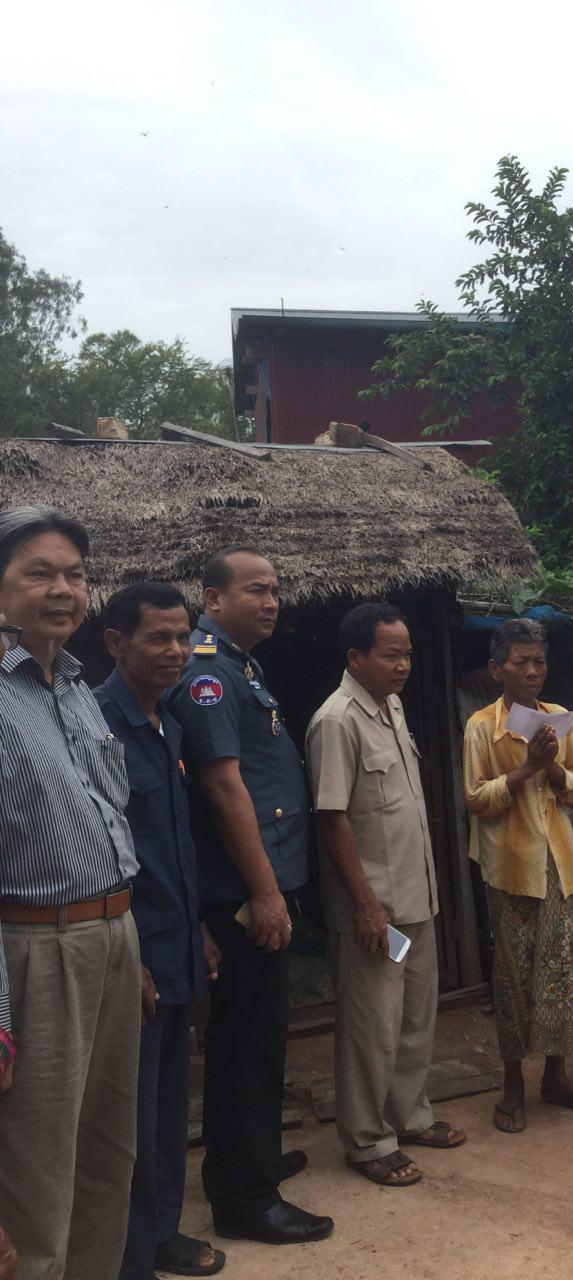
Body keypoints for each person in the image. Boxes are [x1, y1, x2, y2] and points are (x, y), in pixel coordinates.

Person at [167, 547, 332, 1246]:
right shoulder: (208, 674)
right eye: (256, 590)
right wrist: (266, 893)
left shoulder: (241, 666)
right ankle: (242, 1197)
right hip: (240, 892)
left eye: (276, 590)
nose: (272, 601)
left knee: (265, 1033)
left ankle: (255, 1159)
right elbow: (223, 786)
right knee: (244, 1042)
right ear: (212, 599)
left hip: (264, 880)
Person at [0, 506, 141, 1279]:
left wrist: (133, 948)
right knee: (36, 1176)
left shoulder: (78, 684)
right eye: (38, 573)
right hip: (33, 953)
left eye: (75, 575)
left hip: (114, 941)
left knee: (105, 1159)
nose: (63, 589)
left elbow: (108, 824)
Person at [307, 602, 466, 1187]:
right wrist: (366, 906)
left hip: (415, 900)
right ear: (357, 657)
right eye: (391, 654)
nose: (403, 665)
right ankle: (368, 1140)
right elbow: (332, 821)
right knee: (371, 1025)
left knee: (414, 1017)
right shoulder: (336, 720)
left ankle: (409, 1114)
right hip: (376, 912)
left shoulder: (391, 707)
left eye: (408, 653)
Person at [94, 583, 225, 1279]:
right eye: (158, 639)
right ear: (115, 643)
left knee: (172, 1097)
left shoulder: (168, 722)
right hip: (131, 952)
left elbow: (173, 844)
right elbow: (101, 855)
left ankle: (162, 1229)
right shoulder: (96, 726)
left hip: (177, 941)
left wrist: (199, 927)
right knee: (131, 1112)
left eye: (184, 637)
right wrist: (133, 956)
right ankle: (129, 1250)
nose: (176, 652)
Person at [462, 618, 573, 1133]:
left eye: (538, 662)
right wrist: (526, 769)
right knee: (512, 975)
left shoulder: (558, 720)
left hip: (560, 866)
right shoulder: (483, 725)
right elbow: (476, 799)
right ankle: (512, 1084)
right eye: (519, 662)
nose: (531, 671)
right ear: (495, 668)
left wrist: (550, 768)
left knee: (562, 972)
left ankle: (557, 1076)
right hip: (510, 866)